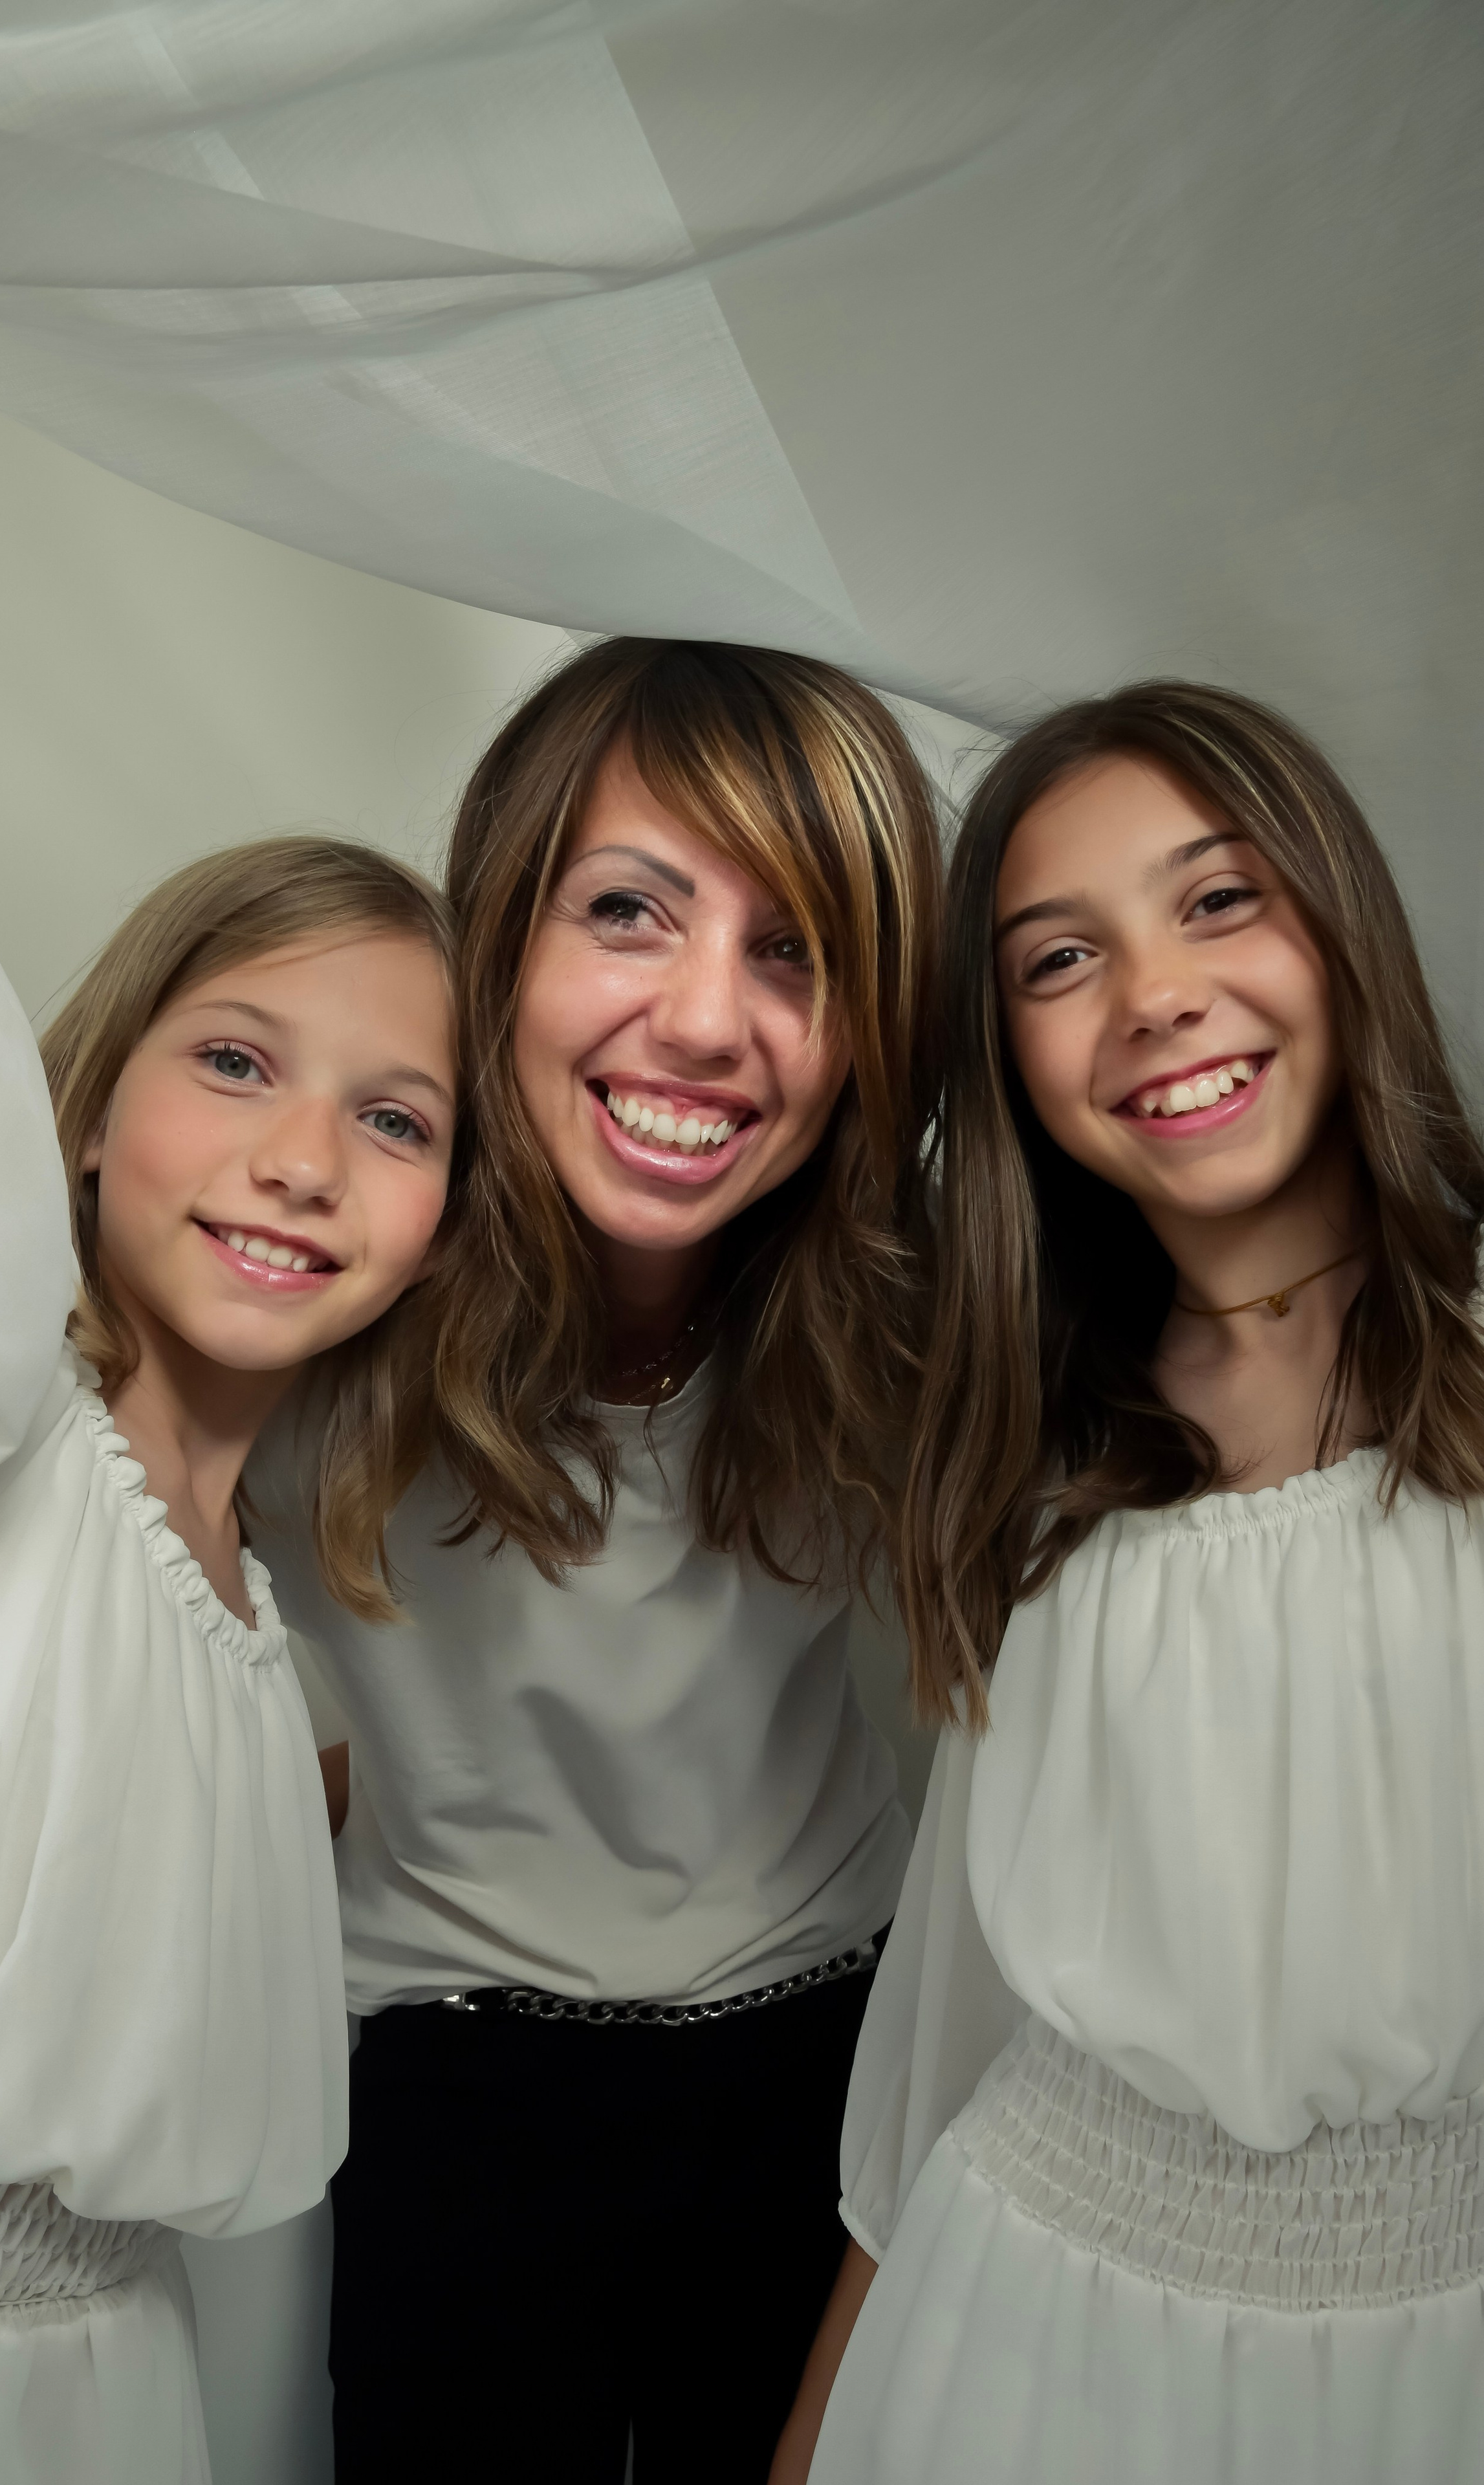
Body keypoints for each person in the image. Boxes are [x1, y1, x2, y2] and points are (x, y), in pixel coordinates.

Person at [0, 315, 459, 2485]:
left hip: (98, 2401)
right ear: (78, 1117)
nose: (305, 1156)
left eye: (399, 1119)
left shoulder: (263, 1642)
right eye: (237, 1061)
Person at [773, 681, 1484, 2484]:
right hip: (1030, 2326)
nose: (1156, 991)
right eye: (1056, 958)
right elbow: (950, 2024)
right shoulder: (1040, 1456)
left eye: (1220, 897)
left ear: (1344, 920)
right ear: (1003, 1051)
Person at [254, 637, 944, 2482]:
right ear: (497, 943)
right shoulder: (313, 1275)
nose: (711, 1018)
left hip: (827, 2063)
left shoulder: (915, 1315)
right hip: (449, 2084)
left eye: (793, 948)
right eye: (630, 909)